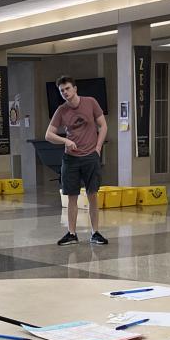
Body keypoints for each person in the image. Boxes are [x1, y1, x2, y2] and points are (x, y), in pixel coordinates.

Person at [45, 75, 109, 245]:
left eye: (67, 89)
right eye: (61, 91)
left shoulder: (90, 102)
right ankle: (72, 233)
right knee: (72, 196)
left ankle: (95, 232)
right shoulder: (61, 111)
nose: (65, 92)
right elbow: (48, 135)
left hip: (90, 156)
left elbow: (103, 125)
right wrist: (65, 141)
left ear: (75, 88)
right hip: (71, 159)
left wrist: (98, 147)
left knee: (92, 195)